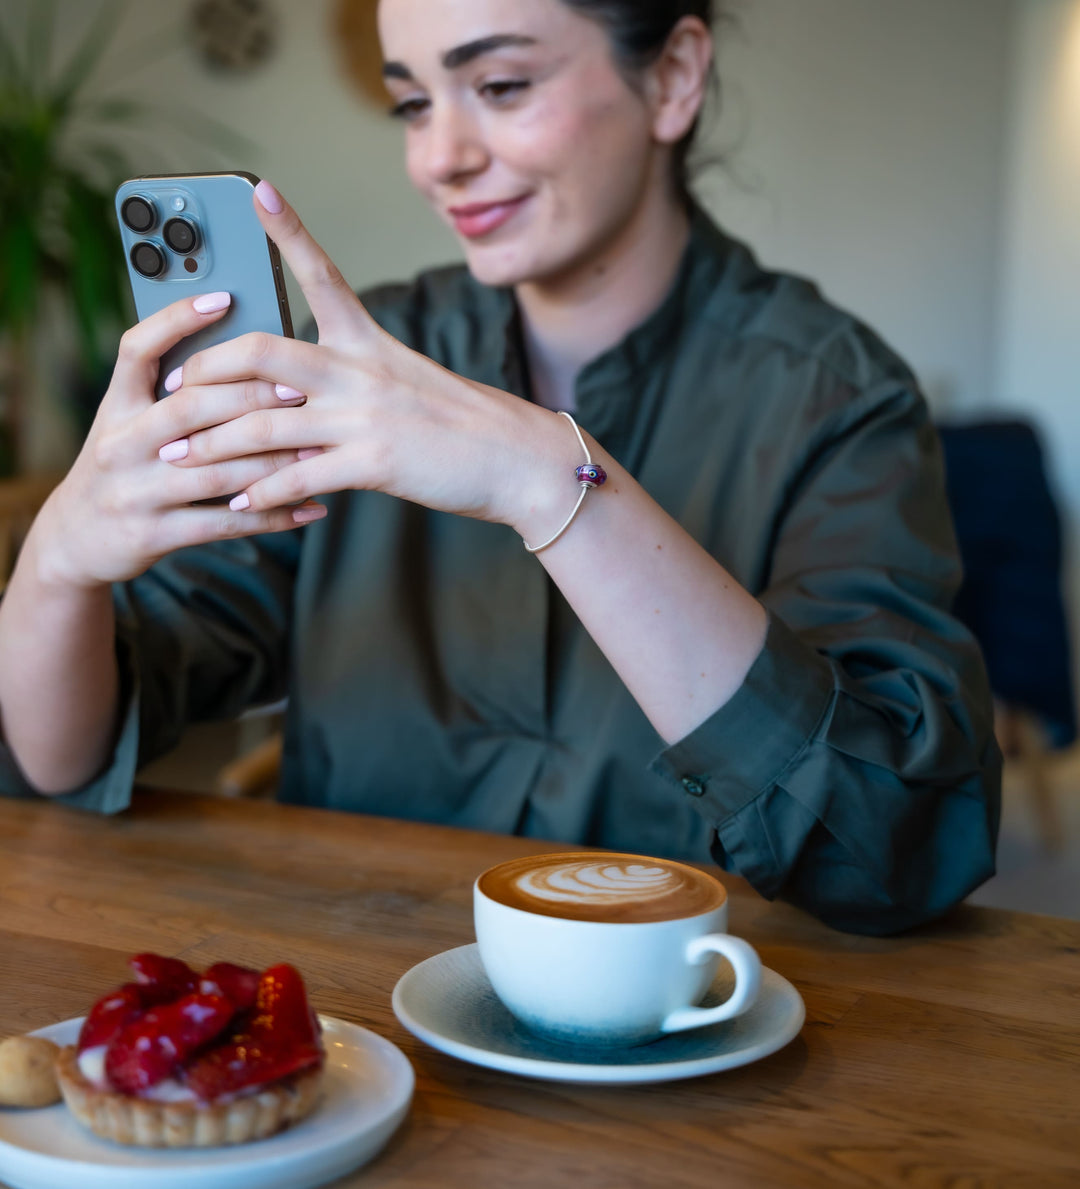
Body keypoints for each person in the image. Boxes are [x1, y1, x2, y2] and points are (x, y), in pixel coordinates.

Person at [0, 0, 1000, 935]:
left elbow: (890, 849)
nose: (440, 157)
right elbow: (67, 757)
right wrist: (57, 565)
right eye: (411, 102)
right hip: (358, 1042)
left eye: (504, 86)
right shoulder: (365, 366)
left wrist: (547, 481)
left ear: (674, 77)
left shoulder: (836, 397)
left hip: (690, 1061)